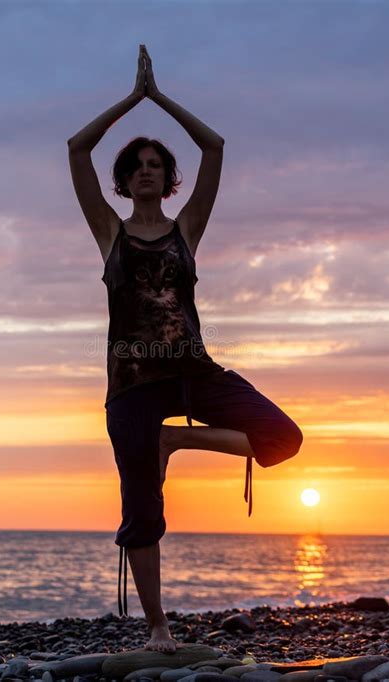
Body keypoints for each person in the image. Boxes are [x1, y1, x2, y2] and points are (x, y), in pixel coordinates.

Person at [67, 44, 303, 653]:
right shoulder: (110, 231)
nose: (146, 169)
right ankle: (157, 626)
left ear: (167, 179)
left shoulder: (187, 228)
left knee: (283, 437)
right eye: (137, 164)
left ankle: (179, 439)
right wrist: (131, 99)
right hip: (132, 386)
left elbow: (215, 147)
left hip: (194, 372)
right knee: (142, 510)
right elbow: (76, 149)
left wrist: (160, 96)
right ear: (124, 180)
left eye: (155, 163)